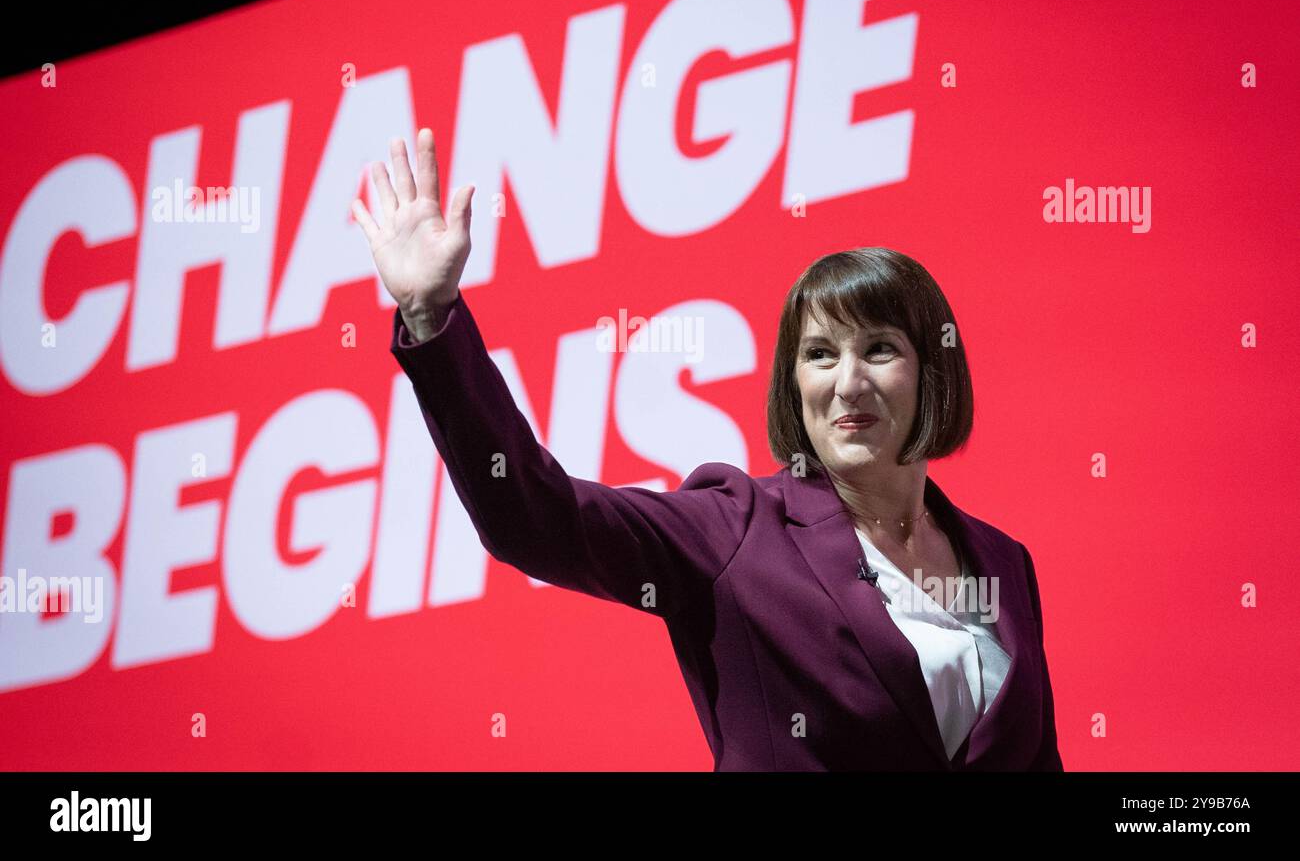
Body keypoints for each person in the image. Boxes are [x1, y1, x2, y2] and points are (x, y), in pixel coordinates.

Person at [352, 129, 1064, 771]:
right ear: (794, 383)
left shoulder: (1003, 561)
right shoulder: (737, 530)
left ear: (932, 370)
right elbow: (536, 517)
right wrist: (431, 317)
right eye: (819, 355)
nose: (847, 383)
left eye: (879, 350)